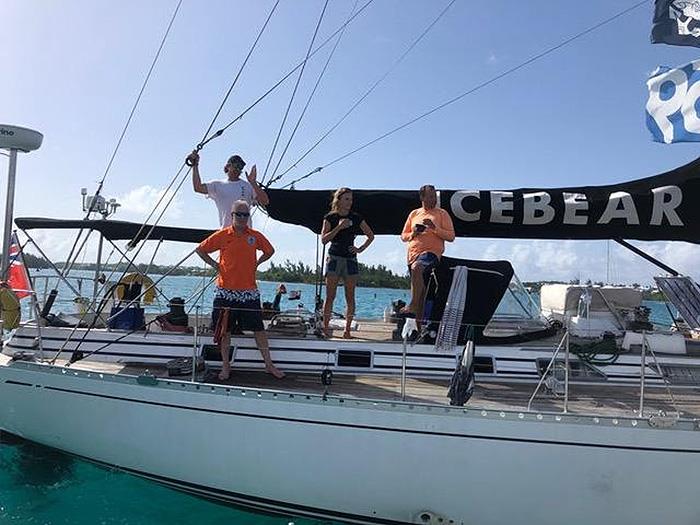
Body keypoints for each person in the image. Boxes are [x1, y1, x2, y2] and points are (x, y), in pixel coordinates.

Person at [196, 200, 284, 380]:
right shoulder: (222, 235)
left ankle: (269, 365)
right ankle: (226, 367)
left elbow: (270, 251)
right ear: (232, 216)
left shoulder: (255, 236)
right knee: (224, 331)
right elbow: (200, 249)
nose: (242, 218)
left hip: (248, 292)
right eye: (239, 214)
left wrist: (258, 262)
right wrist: (215, 265)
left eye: (246, 215)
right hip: (225, 291)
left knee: (259, 329)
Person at [320, 187, 374, 338]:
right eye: (347, 199)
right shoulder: (330, 217)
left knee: (350, 296)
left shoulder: (356, 217)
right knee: (330, 295)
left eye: (351, 199)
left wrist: (360, 249)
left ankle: (347, 330)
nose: (350, 202)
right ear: (339, 200)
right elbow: (324, 240)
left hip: (350, 259)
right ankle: (325, 328)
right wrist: (339, 227)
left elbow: (370, 235)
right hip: (334, 258)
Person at [400, 184, 455, 323]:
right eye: (430, 196)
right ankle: (419, 329)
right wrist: (413, 233)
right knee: (421, 293)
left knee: (417, 268)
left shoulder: (442, 213)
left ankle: (412, 304)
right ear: (422, 197)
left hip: (431, 253)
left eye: (434, 196)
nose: (433, 199)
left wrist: (434, 228)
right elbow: (403, 236)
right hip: (413, 253)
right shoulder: (414, 213)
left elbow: (451, 236)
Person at [187, 150, 269, 227]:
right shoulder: (217, 185)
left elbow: (265, 201)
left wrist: (253, 183)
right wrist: (195, 165)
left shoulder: (248, 186)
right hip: (226, 234)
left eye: (240, 167)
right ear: (228, 166)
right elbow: (198, 187)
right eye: (236, 165)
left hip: (245, 235)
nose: (238, 169)